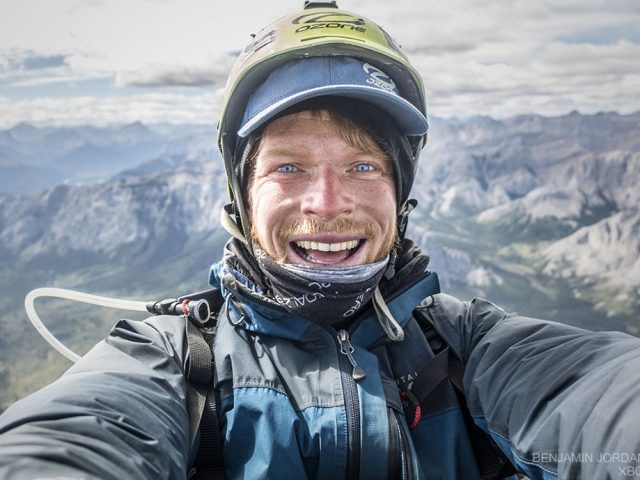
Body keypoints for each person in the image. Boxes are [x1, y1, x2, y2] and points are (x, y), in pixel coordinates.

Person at [1, 2, 639, 479]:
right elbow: (72, 439)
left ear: (399, 195)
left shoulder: (467, 349)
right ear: (243, 196)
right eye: (288, 167)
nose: (328, 204)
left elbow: (599, 393)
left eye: (363, 165)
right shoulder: (173, 362)